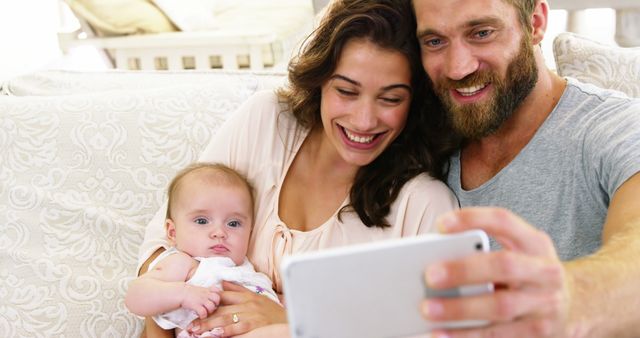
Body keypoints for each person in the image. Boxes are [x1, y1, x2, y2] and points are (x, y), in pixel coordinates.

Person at [135, 0, 459, 337]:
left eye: (391, 99)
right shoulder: (266, 122)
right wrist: (163, 312)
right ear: (320, 82)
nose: (364, 120)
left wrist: (290, 321)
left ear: (415, 102)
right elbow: (163, 241)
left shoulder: (423, 205)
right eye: (346, 91)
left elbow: (431, 328)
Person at [412, 0, 640, 337]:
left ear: (534, 23)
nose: (457, 68)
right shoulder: (420, 138)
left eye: (482, 33)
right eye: (435, 41)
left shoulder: (616, 128)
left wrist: (571, 298)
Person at [126, 163, 279, 338]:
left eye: (234, 223)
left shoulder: (253, 273)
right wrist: (183, 294)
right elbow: (134, 296)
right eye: (201, 221)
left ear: (250, 232)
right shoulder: (184, 264)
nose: (220, 233)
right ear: (172, 232)